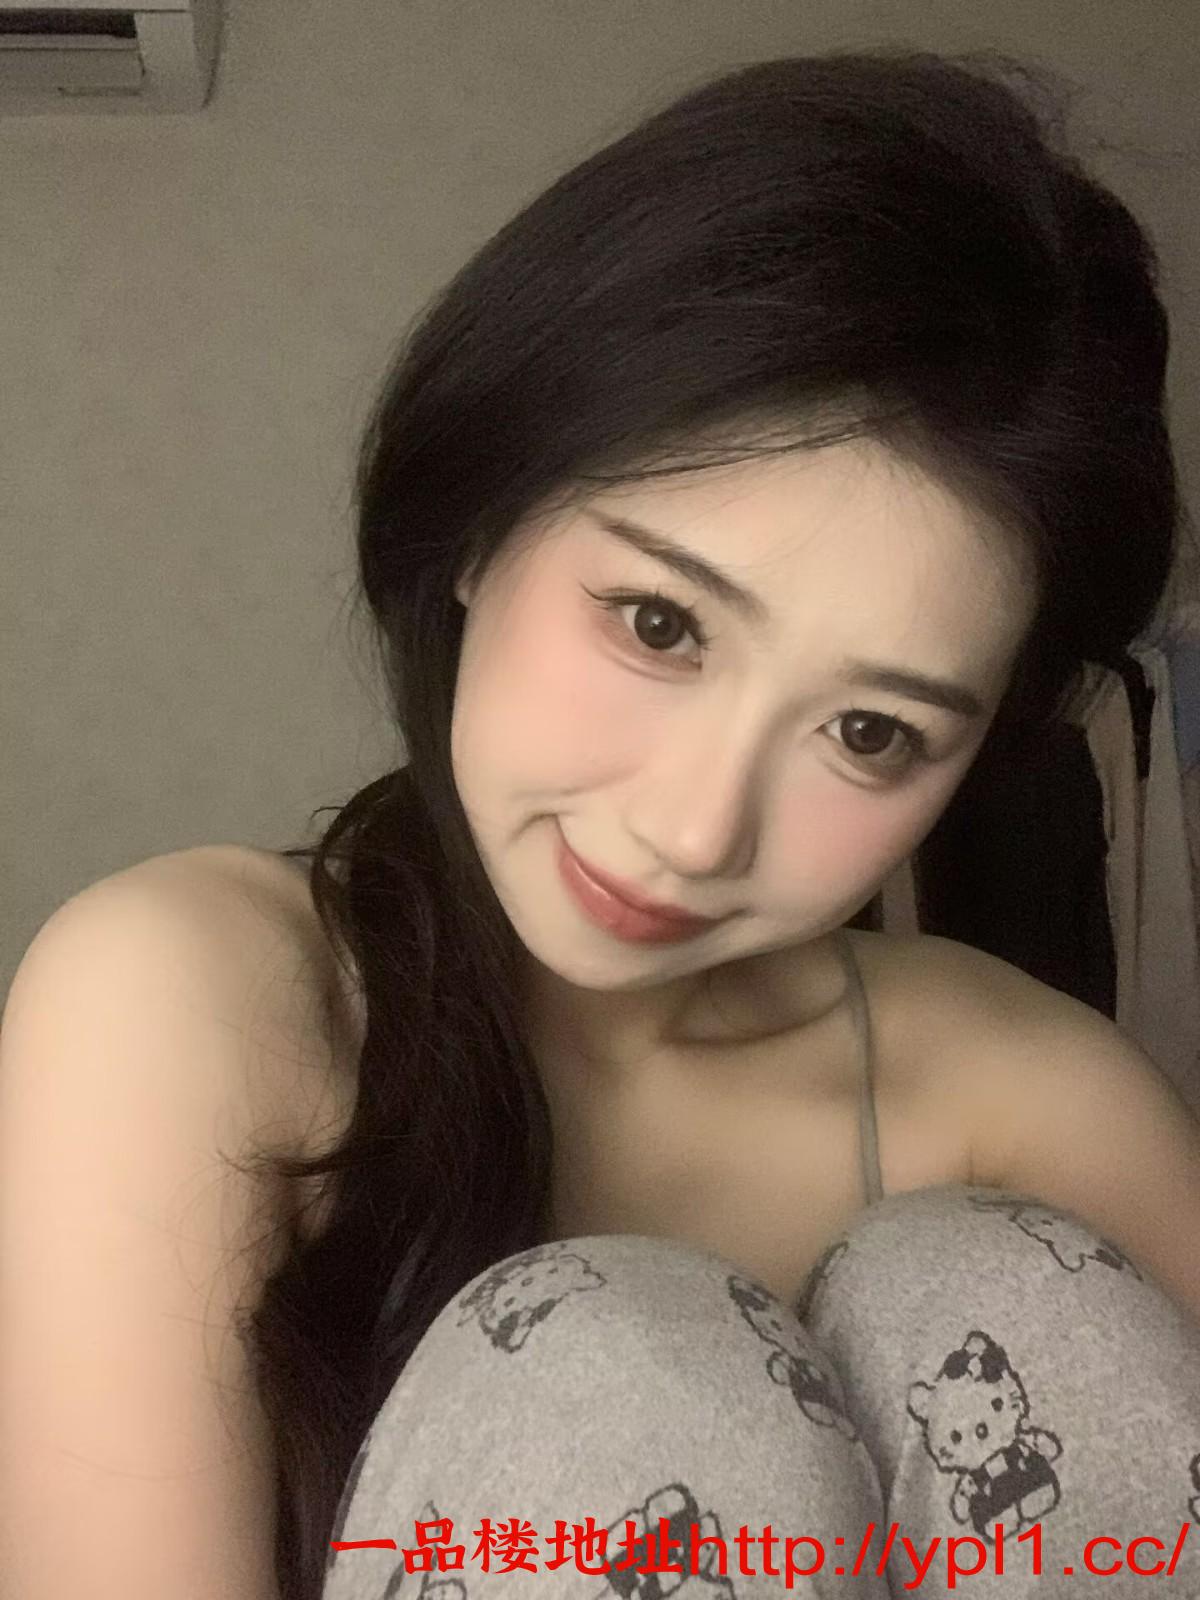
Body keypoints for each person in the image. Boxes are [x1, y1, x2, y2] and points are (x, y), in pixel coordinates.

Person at [3, 43, 1200, 1600]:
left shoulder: (1029, 1102)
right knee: (615, 1360)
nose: (696, 832)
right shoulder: (184, 1004)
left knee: (988, 1279)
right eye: (658, 623)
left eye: (869, 733)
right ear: (482, 520)